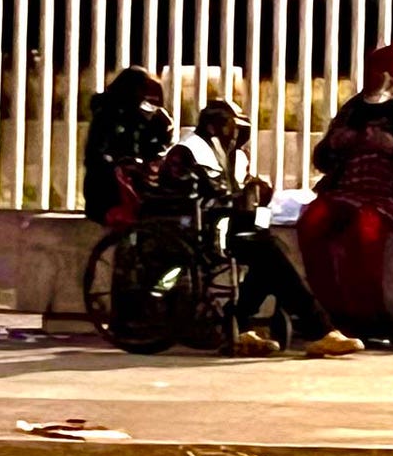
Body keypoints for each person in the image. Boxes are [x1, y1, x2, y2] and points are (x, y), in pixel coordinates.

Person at [156, 99, 365, 358]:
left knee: (269, 247)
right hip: (197, 229)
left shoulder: (235, 156)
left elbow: (243, 191)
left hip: (228, 224)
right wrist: (228, 198)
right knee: (268, 252)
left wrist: (258, 197)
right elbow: (180, 194)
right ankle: (319, 330)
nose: (234, 135)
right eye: (229, 127)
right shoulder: (187, 151)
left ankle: (240, 325)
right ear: (212, 125)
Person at [298, 44, 393, 337]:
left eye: (377, 72)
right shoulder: (355, 108)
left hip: (390, 194)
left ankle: (368, 318)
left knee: (364, 232)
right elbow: (322, 158)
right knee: (311, 222)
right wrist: (337, 143)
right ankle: (329, 312)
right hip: (345, 189)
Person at [83, 67, 174, 227]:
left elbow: (151, 150)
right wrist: (121, 164)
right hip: (107, 193)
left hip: (133, 185)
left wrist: (164, 132)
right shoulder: (106, 114)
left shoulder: (138, 117)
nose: (143, 97)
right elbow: (96, 154)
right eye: (141, 90)